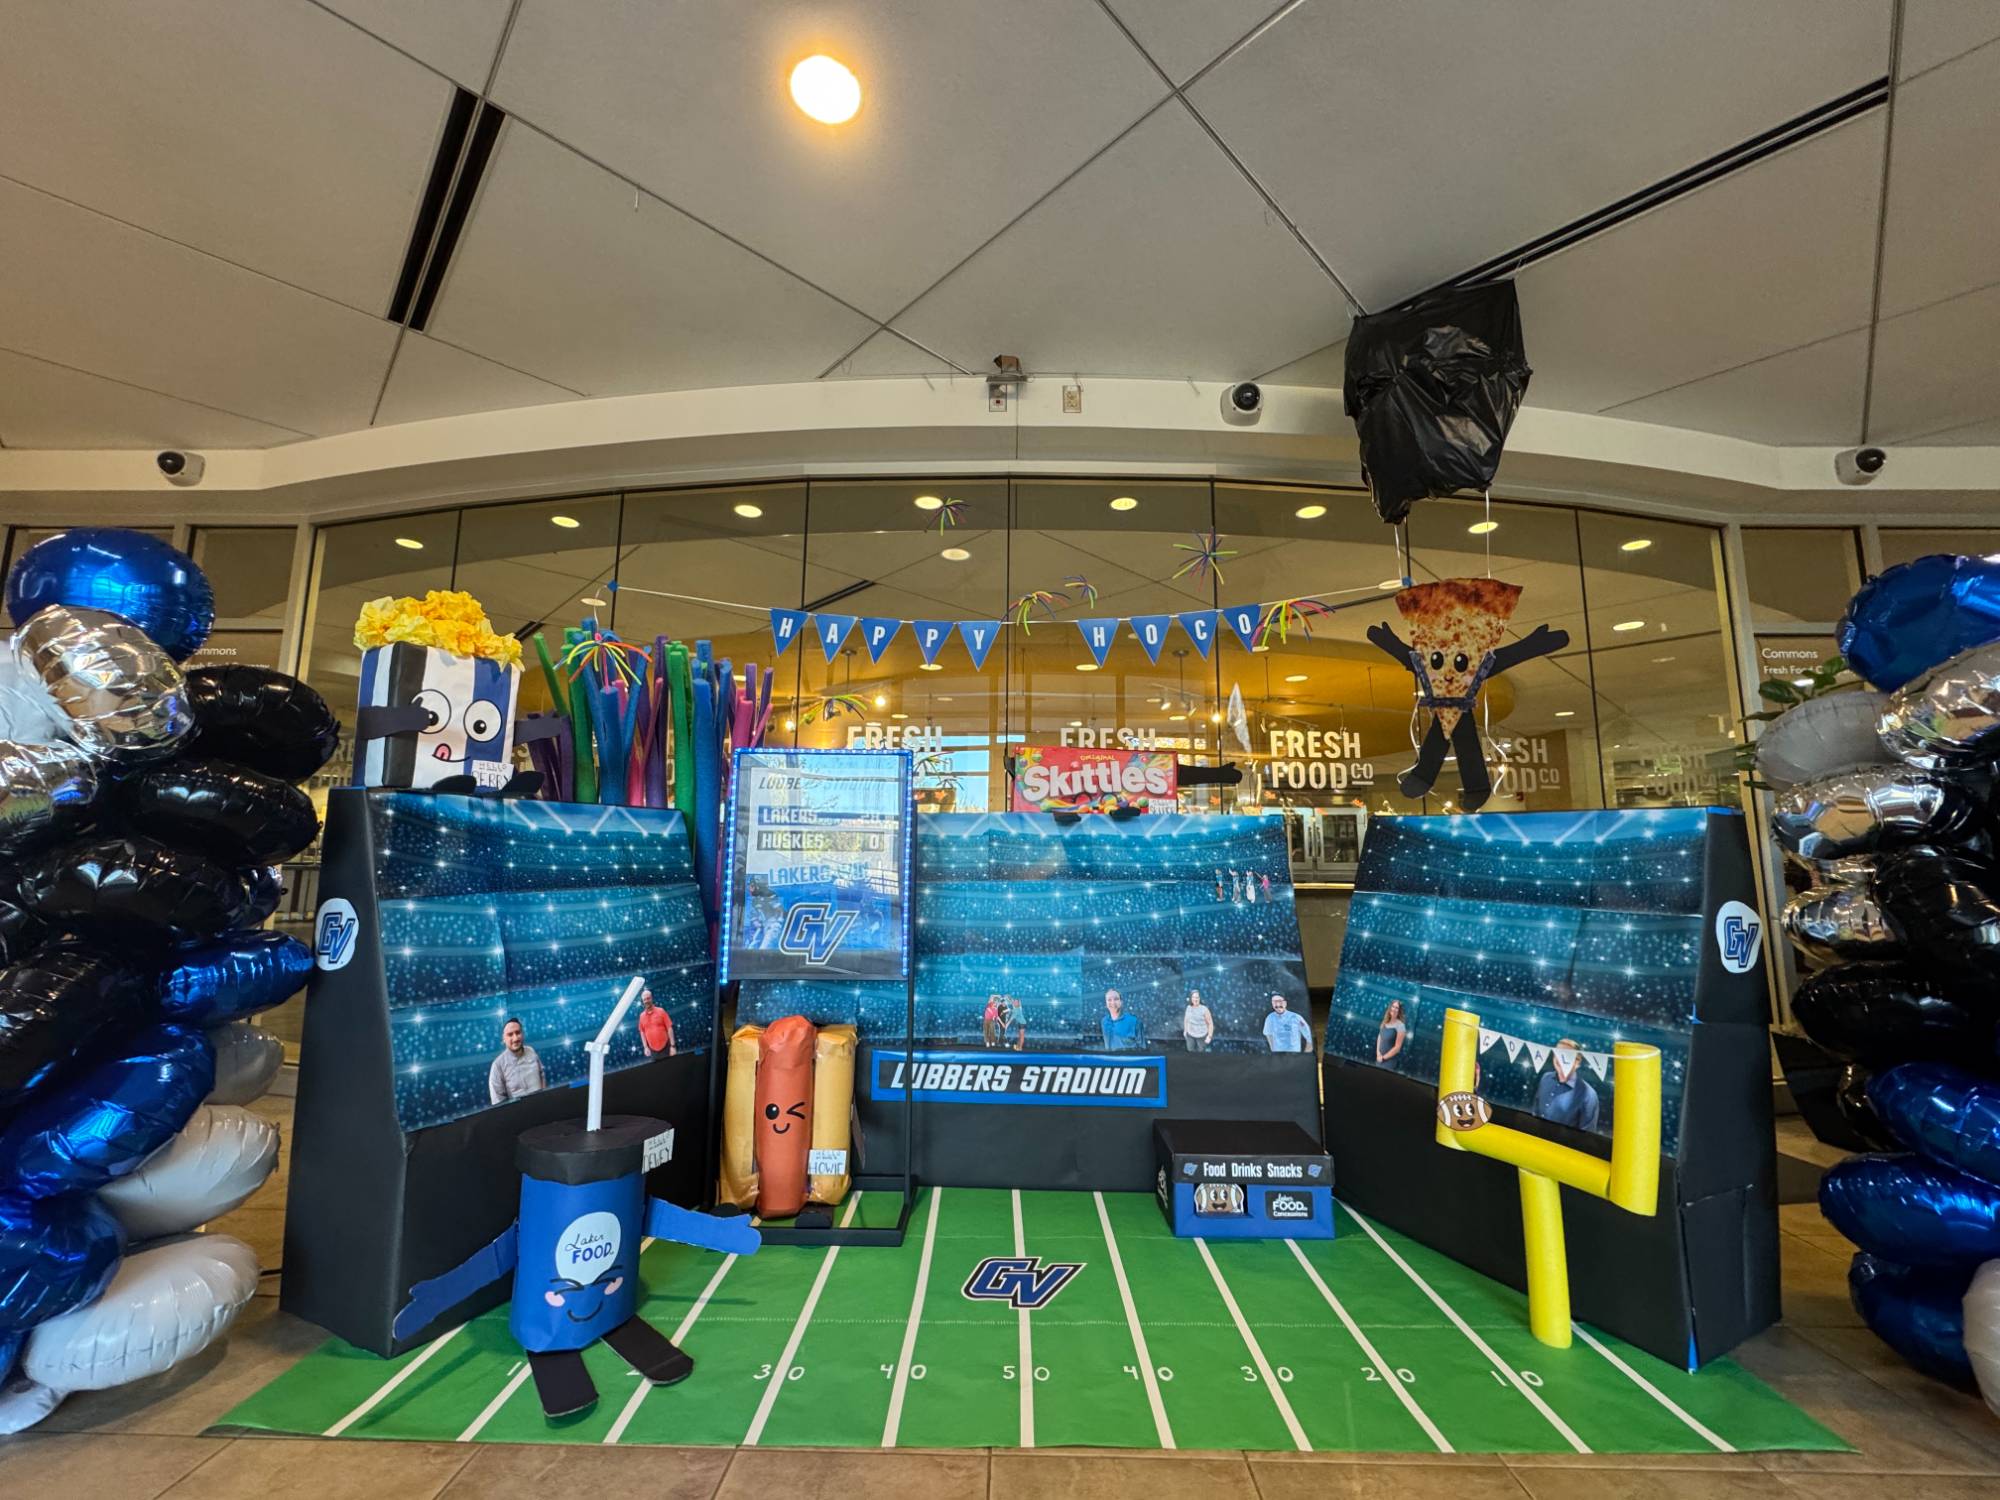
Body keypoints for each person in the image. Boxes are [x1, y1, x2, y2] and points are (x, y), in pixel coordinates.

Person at [1534, 1038, 1601, 1130]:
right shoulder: (1545, 1078)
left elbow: (1587, 1136)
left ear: (1577, 1062)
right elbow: (1536, 1111)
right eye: (1557, 1053)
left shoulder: (1589, 1095)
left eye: (1566, 1055)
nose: (1560, 1058)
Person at [489, 1017, 545, 1104]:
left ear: (522, 1034)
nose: (515, 1038)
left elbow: (542, 1074)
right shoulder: (497, 1065)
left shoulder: (531, 1051)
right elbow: (498, 1102)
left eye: (518, 1033)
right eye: (510, 1034)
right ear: (504, 1039)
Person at [638, 989, 674, 1057]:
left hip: (666, 1048)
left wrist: (673, 1046)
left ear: (652, 998)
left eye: (648, 998)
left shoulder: (661, 1011)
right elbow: (642, 1032)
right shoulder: (641, 1016)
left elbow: (669, 1028)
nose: (646, 1001)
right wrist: (645, 1047)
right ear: (642, 1001)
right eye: (644, 999)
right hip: (653, 1051)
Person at [1375, 999, 1408, 1065]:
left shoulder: (1401, 1026)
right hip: (1379, 1059)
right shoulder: (1385, 1021)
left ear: (1399, 1011)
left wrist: (1383, 1058)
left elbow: (1397, 1048)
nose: (1394, 1009)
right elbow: (1380, 1036)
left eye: (1396, 1008)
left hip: (1389, 1062)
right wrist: (1378, 1053)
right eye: (1393, 1006)